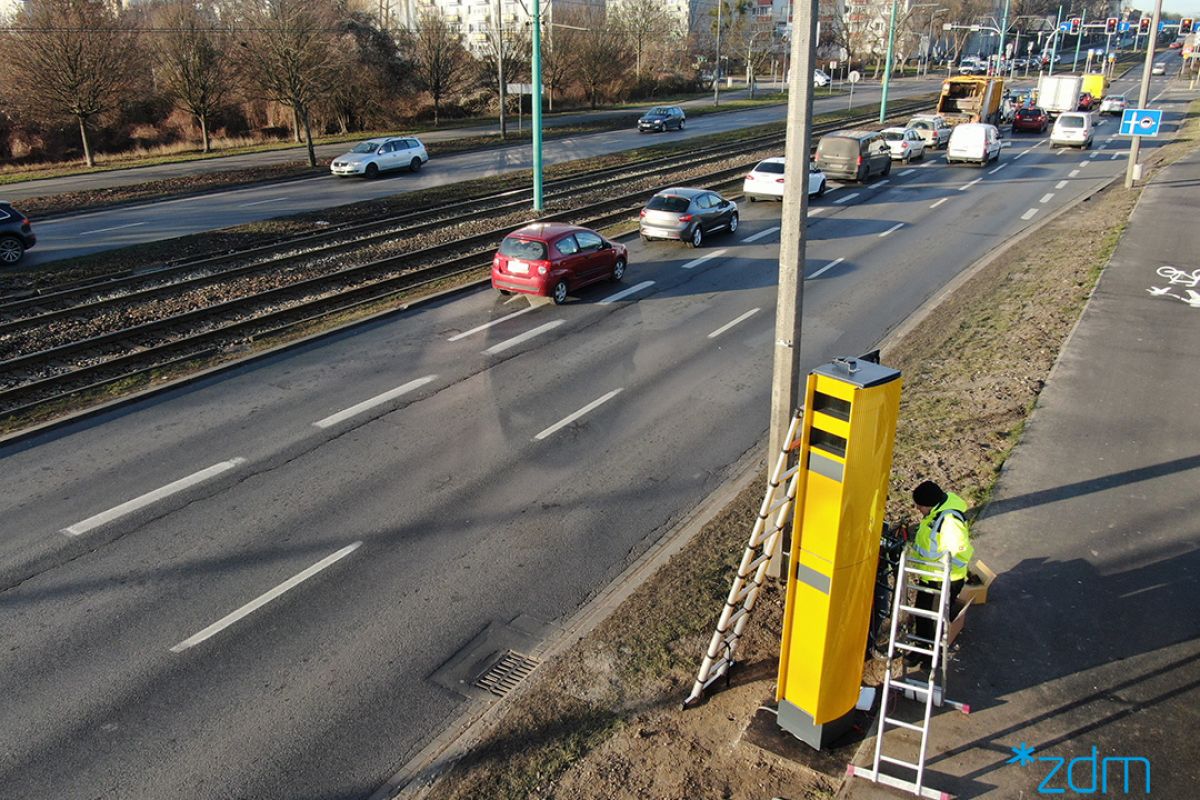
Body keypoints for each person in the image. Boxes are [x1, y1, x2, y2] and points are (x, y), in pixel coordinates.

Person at [905, 480, 974, 668]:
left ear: (929, 504)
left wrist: (943, 568)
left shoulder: (950, 521)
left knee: (935, 620)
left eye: (919, 505)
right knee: (922, 614)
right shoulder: (936, 513)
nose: (918, 508)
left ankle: (932, 657)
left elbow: (960, 552)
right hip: (930, 576)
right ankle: (920, 649)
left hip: (945, 579)